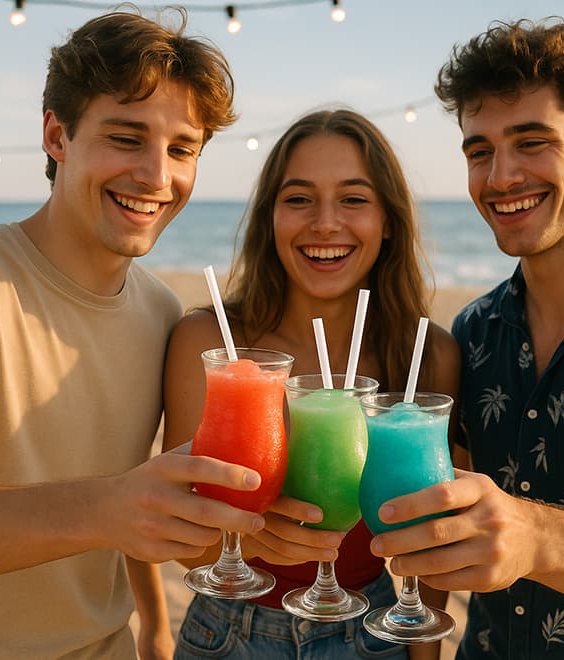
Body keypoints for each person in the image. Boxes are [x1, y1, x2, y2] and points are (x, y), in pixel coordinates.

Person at [0, 10, 261, 659]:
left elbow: (140, 494)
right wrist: (105, 509)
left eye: (182, 149)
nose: (157, 176)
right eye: (127, 138)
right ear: (56, 134)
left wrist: (156, 630)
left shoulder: (165, 315)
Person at [161, 108, 458, 659]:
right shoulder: (205, 343)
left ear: (388, 219)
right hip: (229, 629)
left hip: (373, 629)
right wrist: (248, 540)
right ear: (269, 217)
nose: (325, 223)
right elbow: (180, 540)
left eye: (353, 198)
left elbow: (433, 538)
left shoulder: (428, 353)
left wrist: (425, 653)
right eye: (298, 199)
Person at [371, 19, 564, 657]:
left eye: (532, 142)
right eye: (480, 151)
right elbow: (440, 537)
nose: (501, 177)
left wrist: (540, 539)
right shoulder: (473, 332)